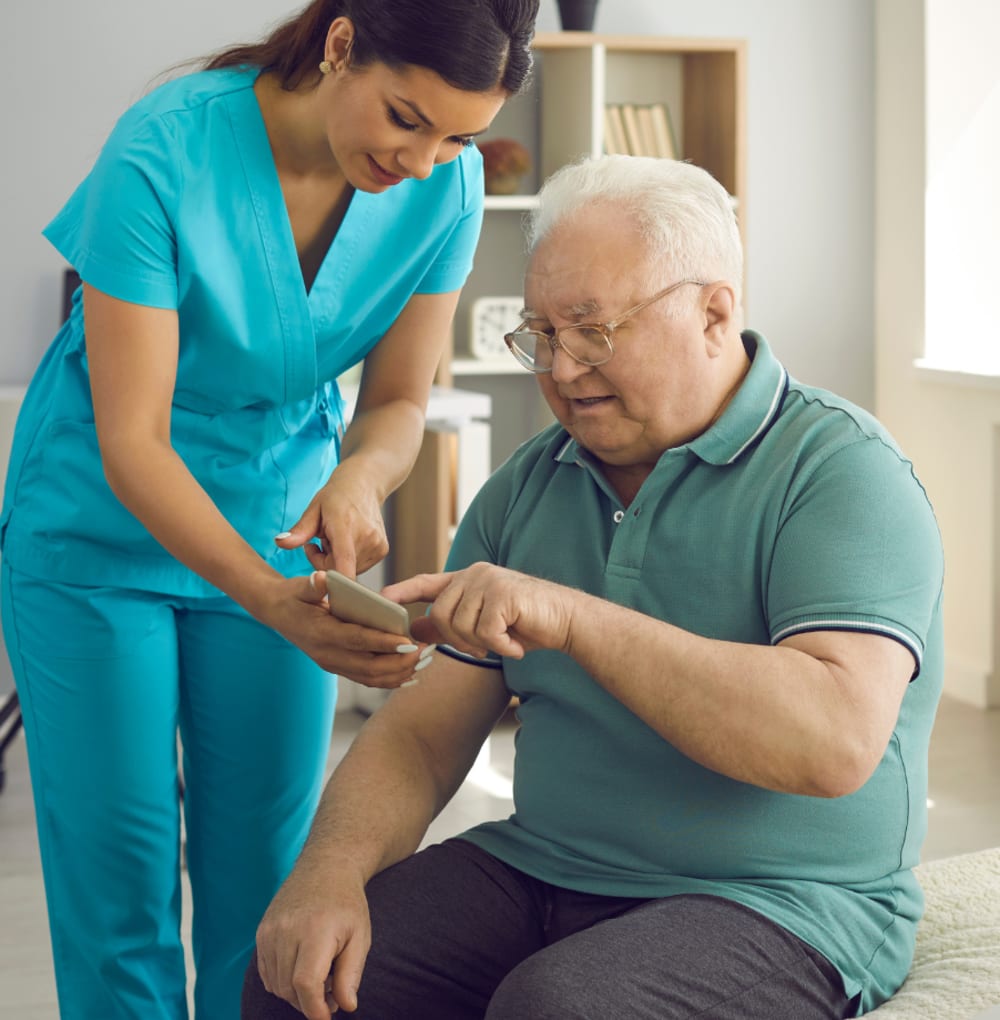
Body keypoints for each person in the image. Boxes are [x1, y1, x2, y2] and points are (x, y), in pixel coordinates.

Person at [240, 153, 945, 1020]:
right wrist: (329, 873)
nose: (563, 370)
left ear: (714, 313)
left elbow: (832, 742)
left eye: (593, 330)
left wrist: (572, 619)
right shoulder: (527, 486)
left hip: (788, 901)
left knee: (563, 1008)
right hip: (545, 865)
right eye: (542, 334)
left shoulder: (841, 472)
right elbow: (421, 739)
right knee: (302, 978)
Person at [0, 1, 539, 1016]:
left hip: (279, 526)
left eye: (459, 135)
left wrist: (360, 478)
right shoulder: (163, 148)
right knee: (118, 886)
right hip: (97, 531)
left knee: (271, 881)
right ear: (340, 45)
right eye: (405, 117)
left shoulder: (447, 189)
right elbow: (133, 440)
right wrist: (263, 593)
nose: (425, 161)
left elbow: (396, 403)